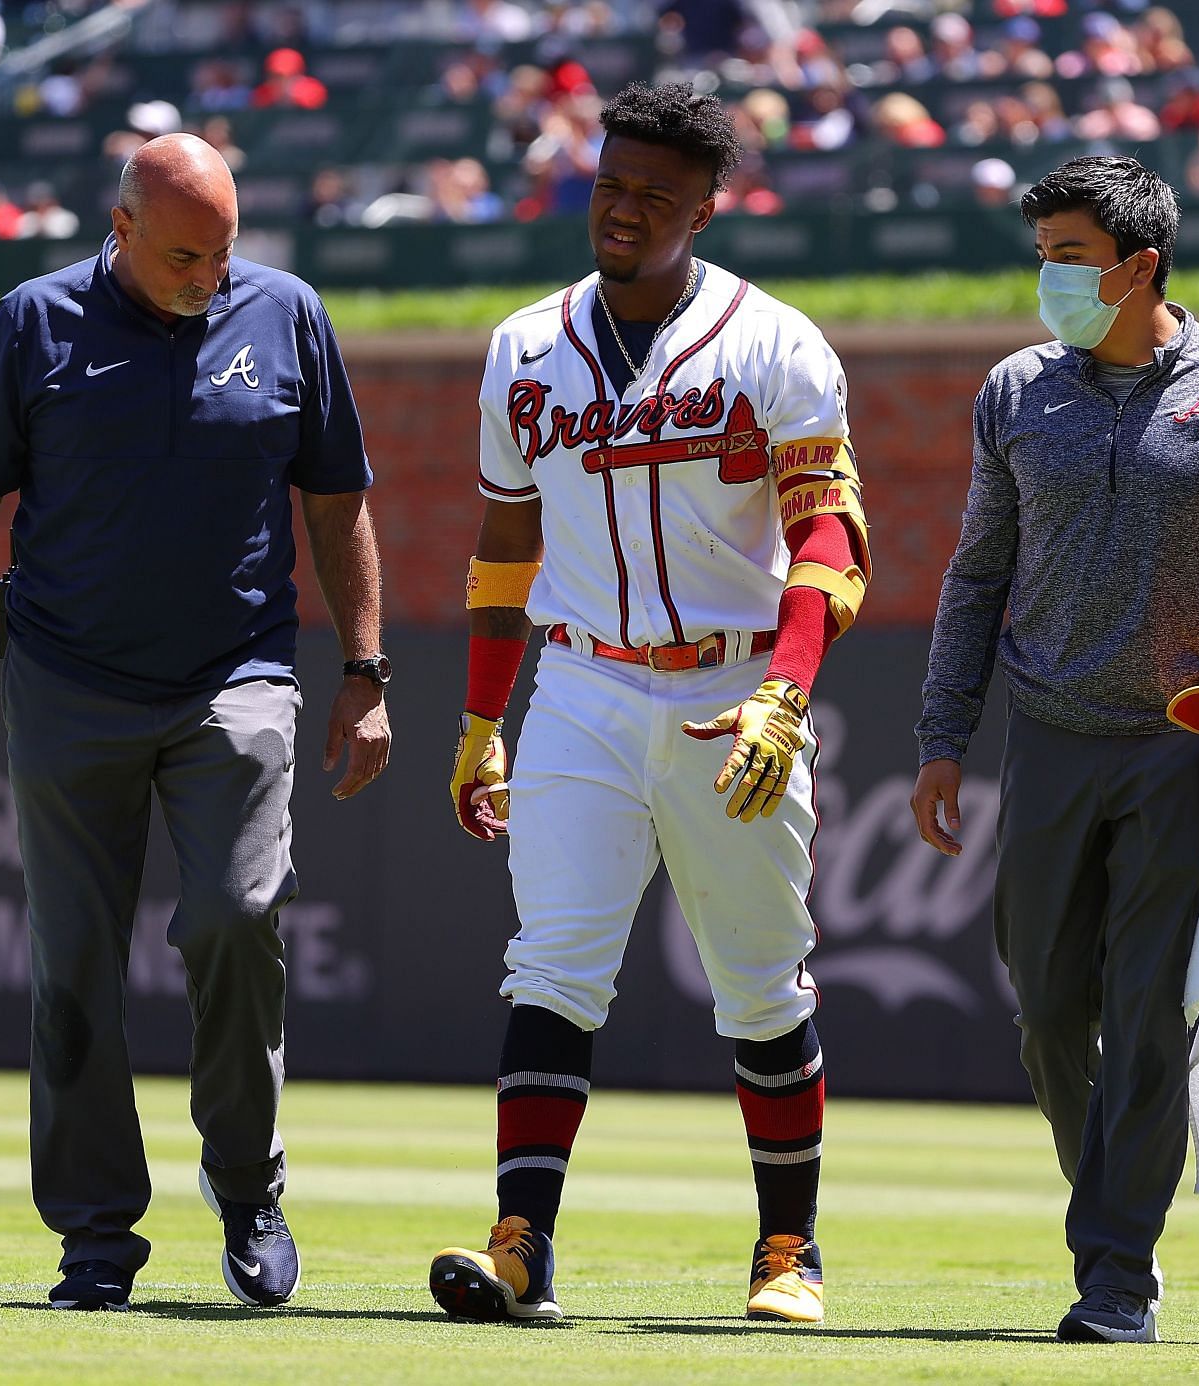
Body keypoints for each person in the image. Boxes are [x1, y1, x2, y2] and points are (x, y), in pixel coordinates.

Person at [0, 133, 392, 1313]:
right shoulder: (33, 322)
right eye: (185, 254)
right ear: (120, 225)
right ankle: (93, 1241)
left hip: (237, 676)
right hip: (68, 680)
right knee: (73, 966)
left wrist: (368, 670)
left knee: (235, 918)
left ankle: (248, 1187)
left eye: (224, 251)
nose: (209, 276)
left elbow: (339, 503)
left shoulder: (287, 314)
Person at [427, 81, 870, 1327]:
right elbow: (503, 553)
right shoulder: (524, 344)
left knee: (761, 985)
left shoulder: (774, 341)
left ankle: (789, 1252)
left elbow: (828, 539)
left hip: (732, 685)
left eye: (656, 197)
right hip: (576, 683)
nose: (624, 211)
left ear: (707, 208)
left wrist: (786, 693)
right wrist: (480, 719)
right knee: (552, 964)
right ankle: (521, 1246)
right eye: (612, 184)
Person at [909, 156, 1199, 1344]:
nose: (1048, 278)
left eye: (1068, 257)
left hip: (1188, 753)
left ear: (1140, 266)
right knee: (1048, 1006)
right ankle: (1113, 1205)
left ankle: (1114, 1272)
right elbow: (978, 572)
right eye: (1043, 254)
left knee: (1153, 1010)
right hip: (1047, 735)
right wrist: (941, 735)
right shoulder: (1015, 389)